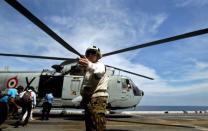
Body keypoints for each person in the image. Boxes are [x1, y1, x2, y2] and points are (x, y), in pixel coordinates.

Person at [79, 46, 109, 131]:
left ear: (98, 55)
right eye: (88, 53)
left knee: (98, 125)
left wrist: (88, 64)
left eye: (93, 53)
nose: (90, 54)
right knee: (90, 126)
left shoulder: (100, 65)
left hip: (98, 99)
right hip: (89, 99)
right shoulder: (88, 69)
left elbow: (98, 70)